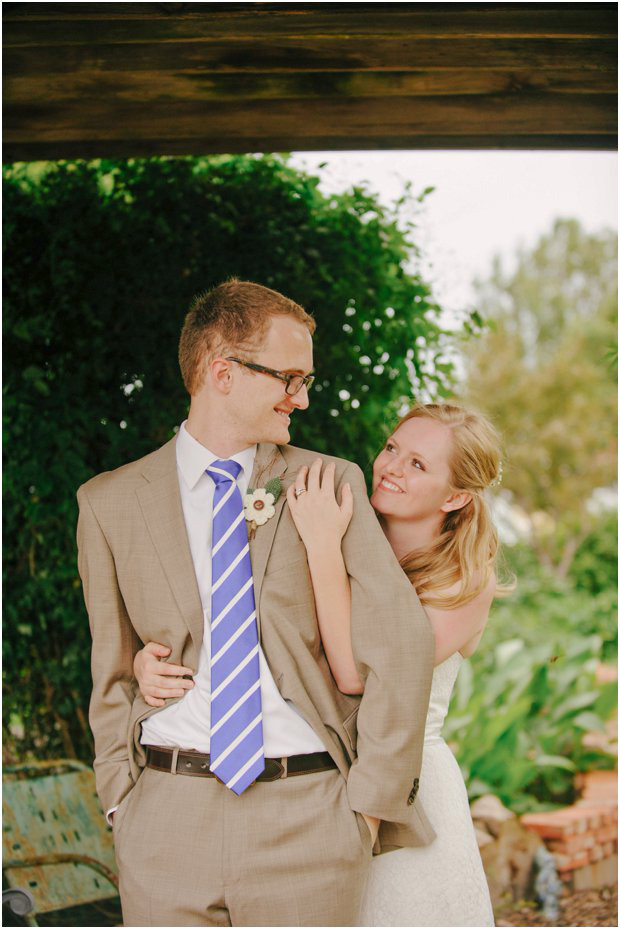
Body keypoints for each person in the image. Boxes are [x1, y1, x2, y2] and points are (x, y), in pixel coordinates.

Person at [77, 279, 435, 928]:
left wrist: (367, 809)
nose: (300, 397)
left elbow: (401, 646)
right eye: (290, 378)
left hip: (309, 818)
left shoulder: (330, 481)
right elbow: (112, 666)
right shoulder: (107, 503)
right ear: (223, 372)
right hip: (163, 817)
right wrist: (120, 802)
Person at [136, 401, 509, 927]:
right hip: (318, 785)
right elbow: (254, 631)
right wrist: (147, 662)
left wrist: (323, 548)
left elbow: (358, 673)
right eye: (391, 449)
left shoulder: (464, 582)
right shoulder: (341, 524)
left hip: (405, 791)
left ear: (456, 497)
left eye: (417, 464)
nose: (390, 467)